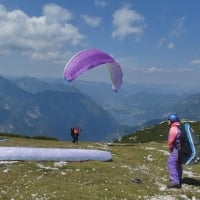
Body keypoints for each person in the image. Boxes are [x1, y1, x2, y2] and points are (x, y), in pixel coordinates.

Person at [167, 114, 182, 189]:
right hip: (181, 150)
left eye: (168, 120)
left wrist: (170, 149)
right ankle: (178, 179)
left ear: (172, 121)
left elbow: (170, 141)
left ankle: (175, 182)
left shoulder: (173, 128)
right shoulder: (179, 127)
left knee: (171, 163)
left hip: (176, 149)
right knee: (178, 164)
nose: (168, 122)